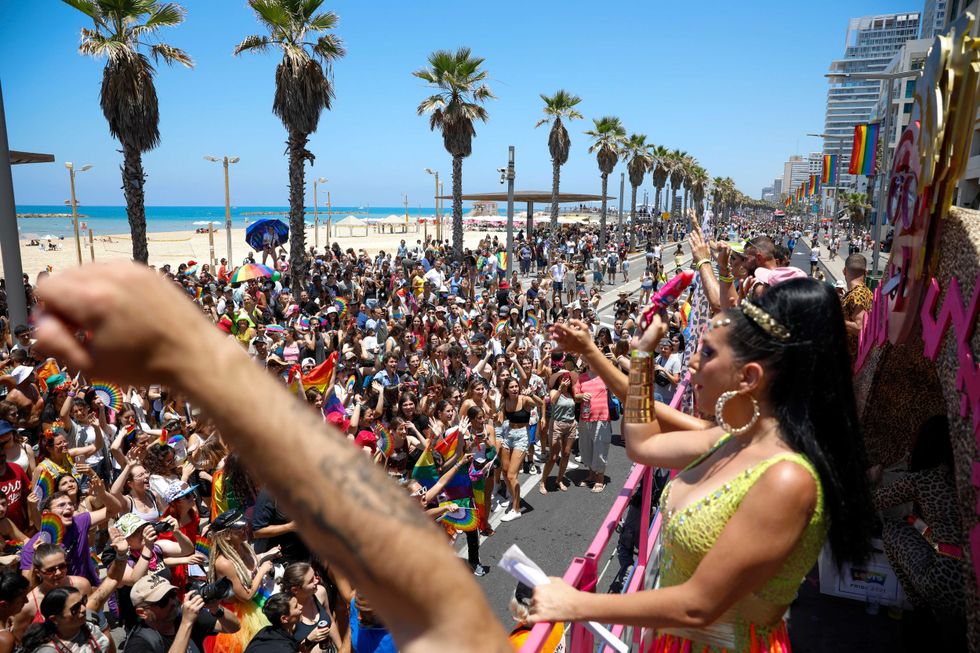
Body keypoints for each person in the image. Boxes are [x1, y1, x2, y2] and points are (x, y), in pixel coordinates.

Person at [530, 279, 875, 653]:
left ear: (749, 377)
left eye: (707, 353)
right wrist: (642, 356)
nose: (691, 364)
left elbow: (699, 605)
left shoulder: (787, 479)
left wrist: (576, 603)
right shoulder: (731, 440)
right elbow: (643, 443)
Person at [208, 509, 279, 653]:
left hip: (259, 601)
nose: (245, 528)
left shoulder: (242, 546)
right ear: (227, 535)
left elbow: (247, 566)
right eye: (239, 527)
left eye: (245, 524)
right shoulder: (224, 563)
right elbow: (246, 596)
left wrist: (266, 555)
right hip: (240, 616)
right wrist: (263, 570)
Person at [124, 574, 239, 653]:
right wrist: (187, 623)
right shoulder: (138, 645)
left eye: (172, 594)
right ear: (142, 612)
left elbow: (234, 627)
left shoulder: (182, 615)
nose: (172, 602)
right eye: (163, 601)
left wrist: (215, 609)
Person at [19, 587, 112, 653]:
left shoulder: (89, 622)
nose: (83, 609)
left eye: (83, 601)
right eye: (75, 608)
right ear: (54, 619)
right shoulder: (49, 650)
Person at [279, 563, 342, 651]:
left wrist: (341, 648)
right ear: (295, 590)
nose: (317, 580)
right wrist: (309, 640)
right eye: (311, 581)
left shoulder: (320, 592)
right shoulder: (287, 612)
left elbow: (330, 622)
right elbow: (290, 649)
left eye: (314, 576)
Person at [242, 593, 312, 653]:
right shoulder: (284, 649)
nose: (301, 607)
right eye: (296, 606)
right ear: (284, 619)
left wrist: (308, 640)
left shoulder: (265, 631)